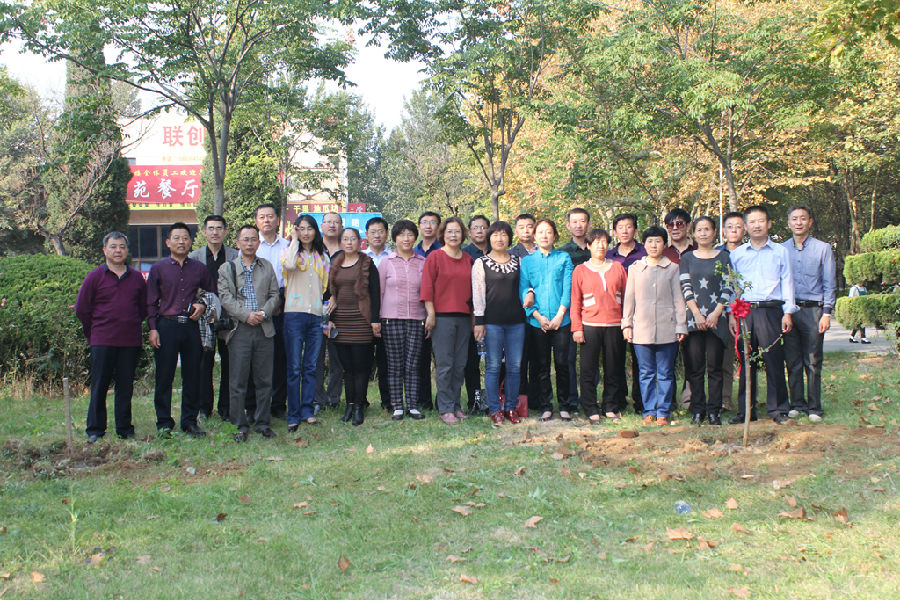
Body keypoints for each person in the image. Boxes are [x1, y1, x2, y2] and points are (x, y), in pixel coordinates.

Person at [728, 205, 797, 425]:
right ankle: (746, 411)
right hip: (745, 312)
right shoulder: (737, 254)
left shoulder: (780, 252)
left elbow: (787, 282)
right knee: (746, 362)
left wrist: (788, 312)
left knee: (773, 360)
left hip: (771, 310)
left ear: (769, 224)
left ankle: (778, 409)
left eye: (761, 221)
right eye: (752, 222)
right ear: (745, 226)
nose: (757, 225)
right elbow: (732, 287)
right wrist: (732, 314)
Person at [76, 232, 147, 442]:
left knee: (125, 387)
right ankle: (95, 429)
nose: (118, 251)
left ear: (127, 250)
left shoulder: (136, 278)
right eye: (113, 246)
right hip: (102, 340)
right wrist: (93, 333)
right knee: (99, 385)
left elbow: (143, 308)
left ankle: (124, 429)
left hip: (129, 341)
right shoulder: (94, 277)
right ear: (105, 250)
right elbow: (82, 309)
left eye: (122, 247)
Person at [147, 222, 214, 437]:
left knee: (192, 375)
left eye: (185, 238)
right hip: (166, 325)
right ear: (168, 242)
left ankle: (189, 421)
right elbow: (151, 302)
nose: (181, 242)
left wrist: (202, 305)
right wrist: (153, 328)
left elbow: (211, 294)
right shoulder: (158, 269)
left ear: (191, 241)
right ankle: (164, 422)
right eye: (176, 238)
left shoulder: (199, 268)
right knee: (164, 376)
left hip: (192, 325)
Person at [218, 225, 281, 442]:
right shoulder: (227, 268)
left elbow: (275, 295)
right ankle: (239, 424)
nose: (249, 243)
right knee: (238, 380)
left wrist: (263, 313)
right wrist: (246, 315)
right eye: (245, 239)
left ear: (258, 243)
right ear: (237, 243)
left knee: (264, 380)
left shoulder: (266, 266)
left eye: (253, 239)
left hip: (264, 328)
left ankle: (262, 422)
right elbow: (225, 298)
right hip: (240, 330)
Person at [622, 226, 687, 426]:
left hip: (668, 328)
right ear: (644, 244)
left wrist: (681, 325)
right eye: (650, 241)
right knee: (646, 373)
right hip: (641, 329)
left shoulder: (672, 268)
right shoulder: (635, 268)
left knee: (665, 372)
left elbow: (678, 299)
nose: (653, 245)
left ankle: (663, 411)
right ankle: (649, 410)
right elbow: (629, 298)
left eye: (658, 241)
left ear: (664, 244)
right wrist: (627, 324)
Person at [782, 205, 836, 422]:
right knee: (792, 360)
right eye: (794, 219)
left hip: (814, 310)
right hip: (789, 310)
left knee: (812, 361)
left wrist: (827, 313)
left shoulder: (823, 248)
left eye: (803, 218)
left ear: (810, 222)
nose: (799, 222)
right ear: (788, 223)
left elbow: (829, 283)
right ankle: (796, 403)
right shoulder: (781, 249)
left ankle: (814, 407)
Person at [679, 217, 733, 426]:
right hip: (694, 320)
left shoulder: (724, 257)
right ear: (693, 234)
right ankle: (698, 409)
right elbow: (685, 287)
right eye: (699, 230)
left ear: (714, 232)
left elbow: (728, 286)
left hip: (716, 320)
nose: (703, 233)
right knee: (695, 368)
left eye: (707, 229)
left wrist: (716, 313)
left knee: (715, 368)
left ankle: (714, 411)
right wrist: (696, 314)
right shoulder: (687, 258)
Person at [570, 228, 628, 425]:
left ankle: (610, 406)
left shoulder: (618, 267)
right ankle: (590, 407)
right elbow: (575, 301)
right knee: (588, 369)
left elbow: (627, 297)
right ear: (588, 245)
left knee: (613, 368)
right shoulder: (580, 270)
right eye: (596, 242)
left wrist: (627, 324)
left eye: (604, 242)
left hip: (615, 324)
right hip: (589, 325)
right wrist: (577, 328)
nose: (600, 246)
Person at [519, 219, 574, 422]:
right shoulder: (528, 261)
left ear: (555, 235)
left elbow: (568, 288)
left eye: (549, 232)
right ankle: (546, 406)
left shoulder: (563, 257)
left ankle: (565, 405)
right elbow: (523, 290)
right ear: (534, 236)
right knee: (541, 366)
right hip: (537, 322)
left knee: (562, 364)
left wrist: (560, 315)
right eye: (540, 232)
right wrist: (537, 316)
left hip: (562, 320)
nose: (544, 235)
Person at [421, 217, 474, 425]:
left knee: (460, 364)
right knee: (445, 365)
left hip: (464, 318)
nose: (453, 235)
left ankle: (456, 405)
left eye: (457, 231)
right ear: (443, 234)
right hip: (442, 318)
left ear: (463, 234)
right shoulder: (435, 257)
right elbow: (427, 287)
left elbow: (474, 291)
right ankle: (445, 408)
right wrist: (430, 313)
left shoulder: (468, 259)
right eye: (449, 231)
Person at [472, 221, 525, 426]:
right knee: (493, 366)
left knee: (515, 367)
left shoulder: (519, 261)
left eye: (503, 234)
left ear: (509, 238)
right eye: (495, 235)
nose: (499, 238)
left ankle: (511, 407)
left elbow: (526, 286)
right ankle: (495, 409)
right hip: (492, 323)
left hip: (517, 322)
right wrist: (479, 321)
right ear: (489, 238)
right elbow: (478, 294)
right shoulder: (481, 263)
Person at [327, 228, 381, 426]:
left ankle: (359, 406)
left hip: (361, 321)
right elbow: (329, 291)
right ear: (340, 242)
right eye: (345, 239)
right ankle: (349, 405)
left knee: (360, 367)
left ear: (359, 242)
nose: (349, 242)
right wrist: (329, 308)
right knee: (347, 369)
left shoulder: (367, 263)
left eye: (353, 239)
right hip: (341, 322)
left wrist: (375, 319)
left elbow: (375, 292)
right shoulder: (335, 262)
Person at [282, 215, 330, 430]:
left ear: (315, 231)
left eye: (309, 228)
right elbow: (289, 265)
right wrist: (293, 240)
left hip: (315, 315)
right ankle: (293, 414)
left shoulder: (323, 256)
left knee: (310, 366)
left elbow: (325, 287)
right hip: (294, 314)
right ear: (296, 231)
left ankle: (307, 411)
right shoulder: (290, 252)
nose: (305, 233)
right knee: (294, 367)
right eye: (301, 229)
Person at [189, 215, 238, 421]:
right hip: (204, 318)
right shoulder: (194, 257)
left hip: (229, 316)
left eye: (219, 228)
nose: (215, 232)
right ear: (204, 232)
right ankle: (204, 408)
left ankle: (226, 408)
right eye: (211, 228)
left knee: (229, 363)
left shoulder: (235, 255)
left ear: (225, 232)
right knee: (204, 363)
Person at [379, 219, 428, 420]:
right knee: (395, 364)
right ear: (395, 238)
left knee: (413, 364)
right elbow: (379, 292)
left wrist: (429, 317)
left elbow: (427, 292)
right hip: (391, 320)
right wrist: (376, 319)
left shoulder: (422, 262)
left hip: (417, 319)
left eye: (410, 234)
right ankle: (397, 406)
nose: (406, 238)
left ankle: (413, 405)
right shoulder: (386, 262)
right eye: (401, 235)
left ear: (415, 237)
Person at [607, 213, 647, 415]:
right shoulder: (608, 255)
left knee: (640, 359)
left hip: (641, 313)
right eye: (620, 227)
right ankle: (619, 399)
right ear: (614, 232)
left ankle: (641, 401)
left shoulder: (645, 252)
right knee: (616, 359)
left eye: (629, 226)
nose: (625, 231)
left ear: (635, 230)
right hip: (615, 313)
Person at [254, 204, 290, 418]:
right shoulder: (251, 245)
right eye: (262, 217)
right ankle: (257, 405)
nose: (266, 220)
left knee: (280, 357)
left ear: (278, 220)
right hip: (256, 306)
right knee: (257, 358)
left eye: (270, 216)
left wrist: (279, 302)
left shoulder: (287, 245)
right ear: (256, 221)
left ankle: (278, 405)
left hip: (283, 304)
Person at [559, 208, 592, 416]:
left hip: (593, 312)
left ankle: (590, 399)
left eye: (582, 221)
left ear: (588, 224)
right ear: (568, 225)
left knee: (591, 359)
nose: (579, 225)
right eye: (574, 221)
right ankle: (571, 401)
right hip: (569, 312)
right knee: (568, 358)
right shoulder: (562, 253)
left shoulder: (596, 249)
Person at [716, 211, 746, 411]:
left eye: (738, 226)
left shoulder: (751, 252)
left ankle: (747, 400)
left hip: (747, 311)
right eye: (730, 226)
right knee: (724, 358)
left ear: (745, 229)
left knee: (747, 358)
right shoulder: (717, 254)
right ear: (723, 230)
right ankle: (724, 398)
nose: (734, 230)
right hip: (722, 312)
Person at [316, 211, 345, 410]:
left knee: (338, 358)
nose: (332, 225)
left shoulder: (347, 250)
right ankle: (317, 399)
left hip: (341, 309)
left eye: (336, 222)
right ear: (322, 226)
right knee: (315, 357)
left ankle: (334, 398)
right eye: (328, 222)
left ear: (341, 226)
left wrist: (336, 296)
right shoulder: (314, 250)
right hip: (315, 308)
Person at [463, 214, 491, 413]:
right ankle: (474, 401)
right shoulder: (465, 255)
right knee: (471, 360)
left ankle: (495, 399)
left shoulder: (498, 252)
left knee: (495, 361)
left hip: (497, 313)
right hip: (471, 314)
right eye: (475, 228)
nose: (480, 231)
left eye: (483, 227)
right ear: (469, 232)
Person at [363, 216, 392, 412]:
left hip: (387, 315)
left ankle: (387, 401)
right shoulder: (360, 258)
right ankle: (361, 400)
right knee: (363, 361)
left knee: (386, 361)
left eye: (380, 231)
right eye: (373, 232)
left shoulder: (393, 257)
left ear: (387, 234)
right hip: (365, 316)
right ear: (366, 235)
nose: (377, 235)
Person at [415, 211, 442, 410]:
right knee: (420, 360)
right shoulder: (412, 251)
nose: (428, 226)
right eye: (424, 222)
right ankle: (423, 401)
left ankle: (443, 401)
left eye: (433, 222)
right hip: (417, 313)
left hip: (440, 312)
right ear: (419, 227)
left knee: (442, 361)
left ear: (438, 227)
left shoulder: (444, 250)